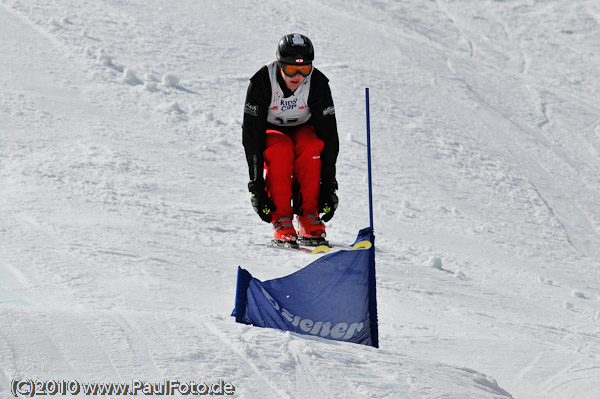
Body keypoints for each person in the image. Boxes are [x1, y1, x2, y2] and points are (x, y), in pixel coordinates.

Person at [242, 33, 339, 243]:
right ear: (279, 65)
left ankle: (308, 217)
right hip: (271, 132)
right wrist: (256, 188)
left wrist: (329, 184)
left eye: (304, 69)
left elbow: (329, 136)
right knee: (281, 148)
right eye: (291, 69)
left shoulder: (318, 82)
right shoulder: (262, 81)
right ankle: (282, 219)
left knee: (311, 145)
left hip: (304, 128)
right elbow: (251, 136)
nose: (298, 76)